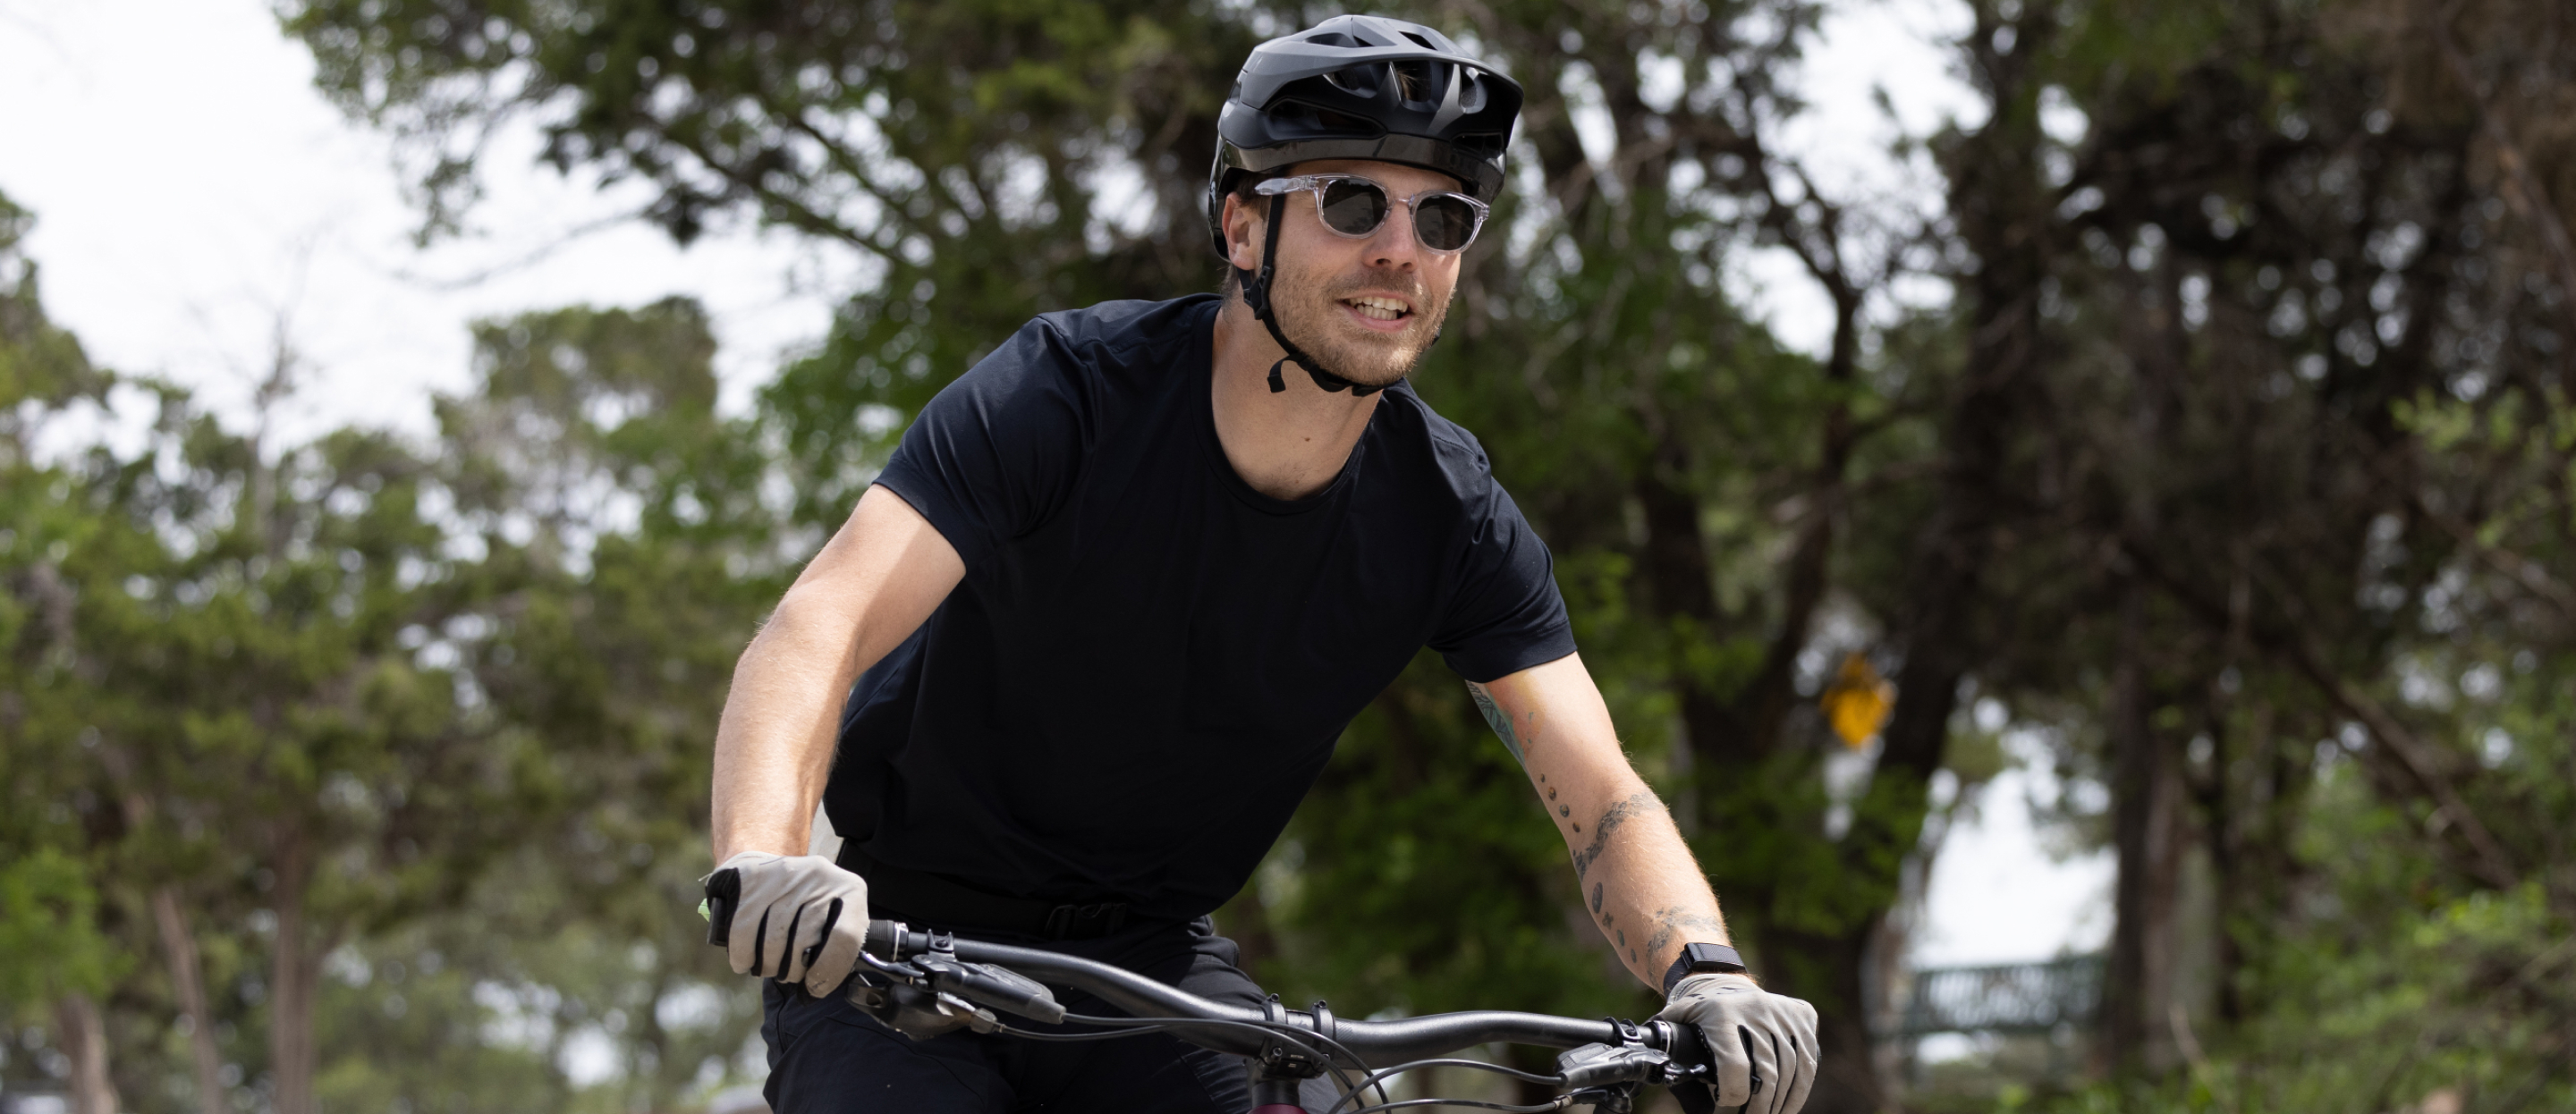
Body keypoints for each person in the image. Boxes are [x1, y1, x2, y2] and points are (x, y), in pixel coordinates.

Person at [705, 15, 1818, 1114]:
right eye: (1351, 202)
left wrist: (1706, 969)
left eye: (1443, 215)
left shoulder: (1450, 512)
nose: (1400, 248)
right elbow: (821, 628)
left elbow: (1600, 790)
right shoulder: (1065, 394)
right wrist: (767, 860)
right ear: (1243, 228)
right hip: (901, 948)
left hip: (1149, 973)